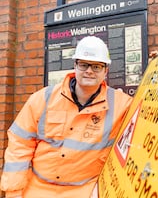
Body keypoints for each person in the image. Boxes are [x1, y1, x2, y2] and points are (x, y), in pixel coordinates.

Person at [0, 36, 133, 198]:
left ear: (106, 71)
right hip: (37, 188)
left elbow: (150, 110)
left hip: (85, 190)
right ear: (75, 66)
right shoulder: (43, 98)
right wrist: (13, 192)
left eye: (97, 66)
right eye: (84, 64)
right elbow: (19, 146)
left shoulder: (122, 105)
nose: (89, 71)